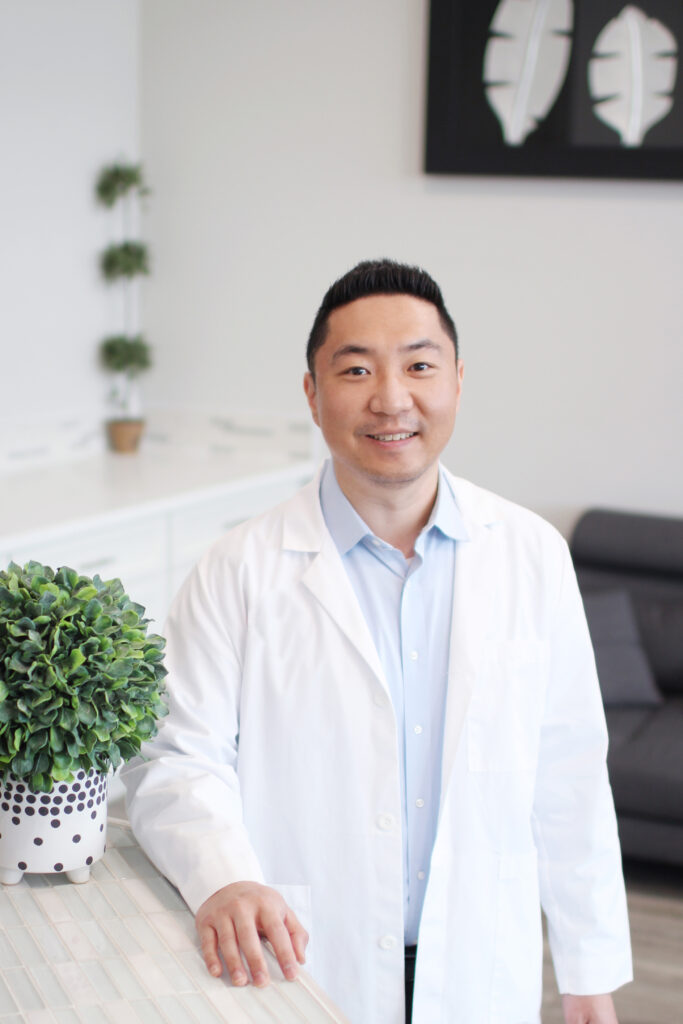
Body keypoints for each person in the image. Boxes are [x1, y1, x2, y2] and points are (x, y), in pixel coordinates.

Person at [122, 259, 633, 1024]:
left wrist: (587, 973)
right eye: (355, 369)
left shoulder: (529, 555)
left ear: (457, 380)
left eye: (419, 366)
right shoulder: (238, 569)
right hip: (296, 961)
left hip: (478, 964)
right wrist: (221, 878)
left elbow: (568, 776)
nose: (391, 399)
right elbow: (176, 758)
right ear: (312, 394)